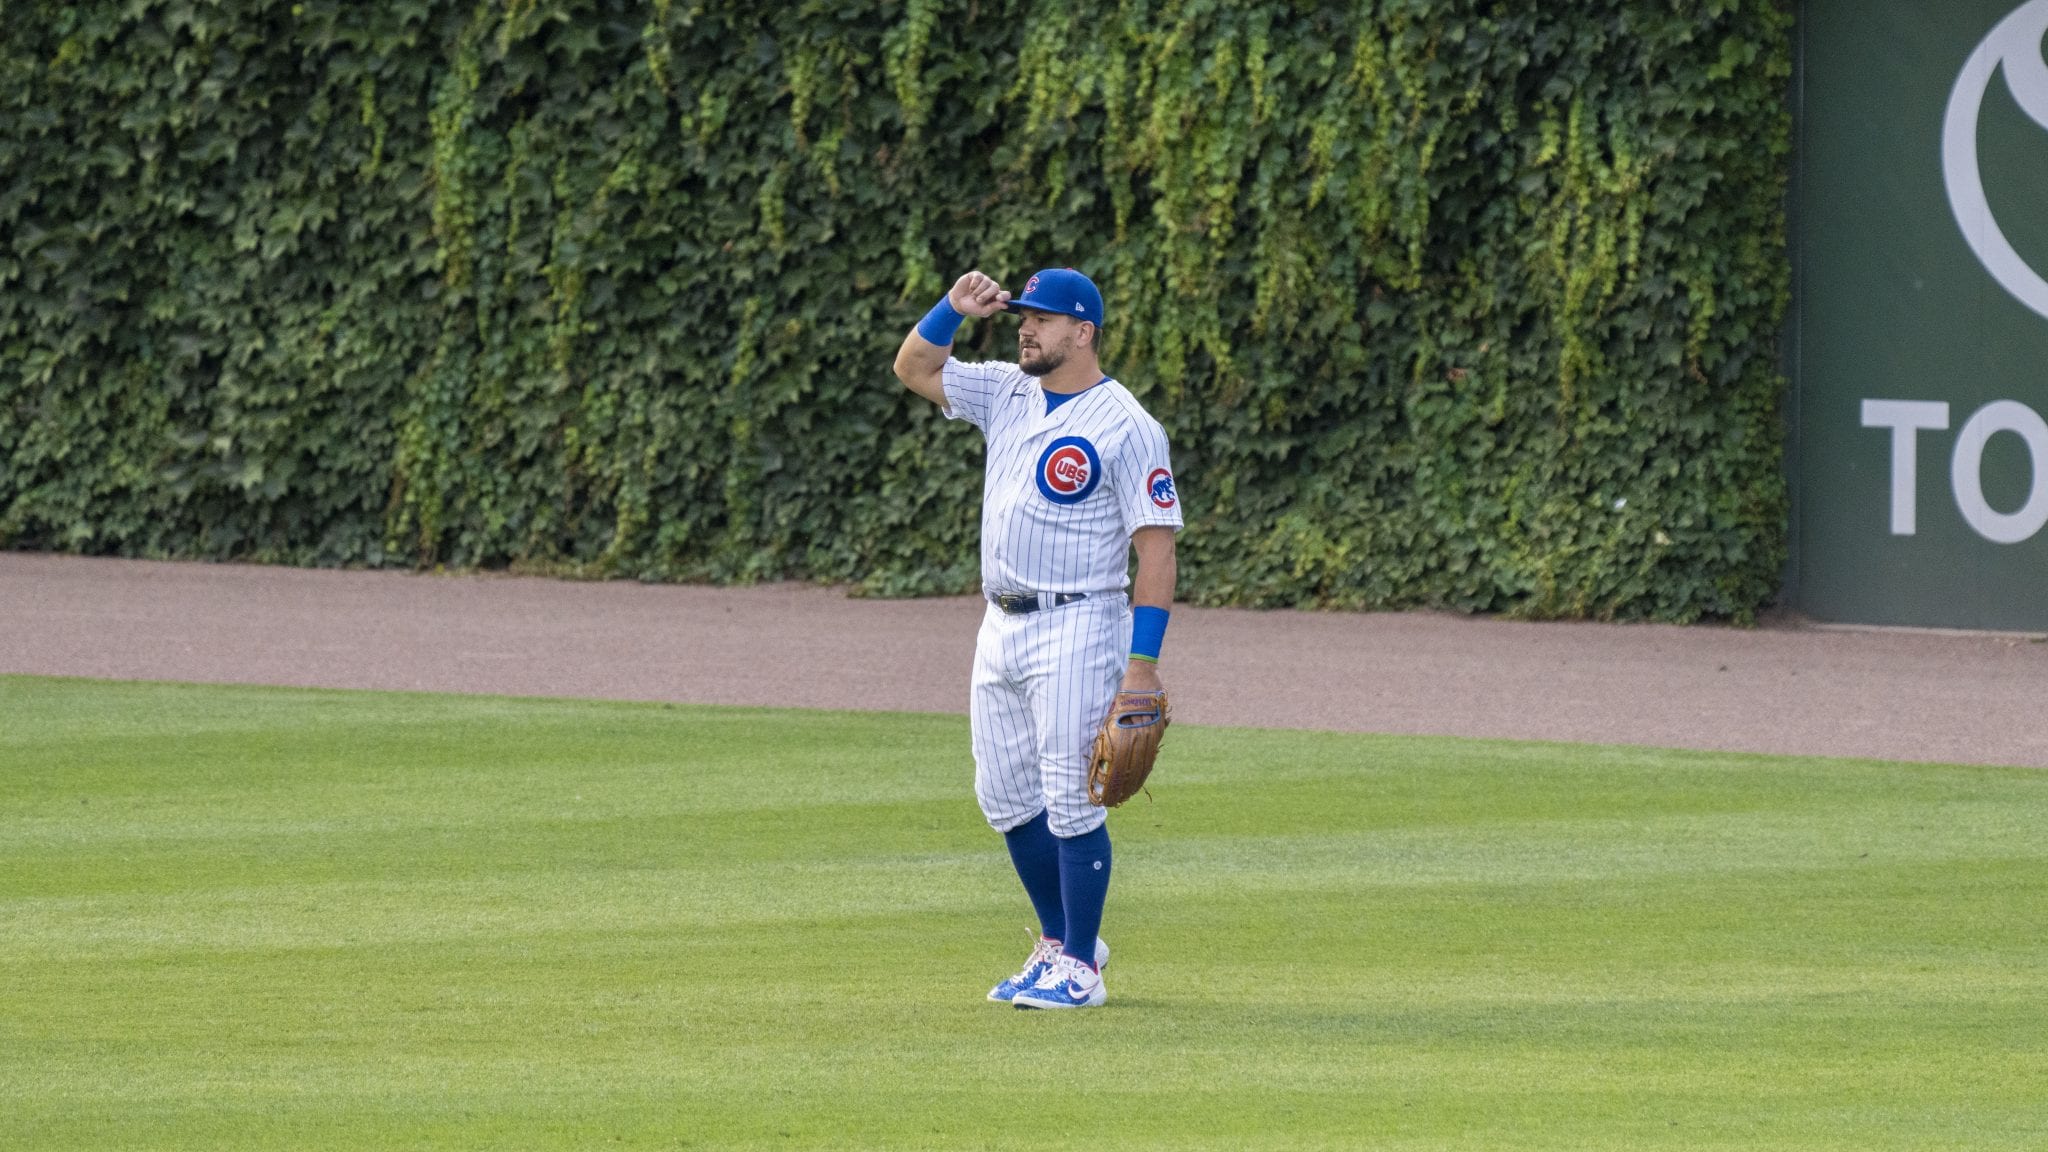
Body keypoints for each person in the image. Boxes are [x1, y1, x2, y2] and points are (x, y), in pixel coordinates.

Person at [892, 267, 1183, 1010]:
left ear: (1082, 331)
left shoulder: (1127, 425)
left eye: (1044, 319)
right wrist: (953, 310)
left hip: (1081, 622)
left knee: (1069, 797)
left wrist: (1141, 667)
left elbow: (1156, 550)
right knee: (1004, 795)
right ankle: (1057, 942)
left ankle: (1081, 969)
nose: (1026, 327)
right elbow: (915, 367)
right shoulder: (1007, 390)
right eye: (1024, 315)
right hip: (1001, 622)